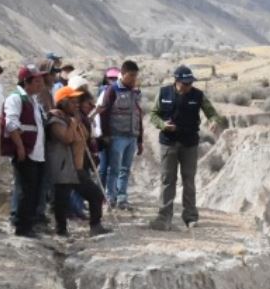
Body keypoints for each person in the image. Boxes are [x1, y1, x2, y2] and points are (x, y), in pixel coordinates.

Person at [148, 65, 224, 231]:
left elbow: (211, 112)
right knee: (168, 180)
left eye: (190, 82)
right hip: (168, 143)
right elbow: (153, 115)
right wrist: (162, 124)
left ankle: (190, 217)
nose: (188, 86)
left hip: (189, 143)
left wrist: (213, 121)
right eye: (185, 83)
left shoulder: (198, 95)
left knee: (189, 180)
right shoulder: (163, 93)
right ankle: (164, 218)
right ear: (176, 81)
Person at [45, 85, 111, 238]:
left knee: (95, 194)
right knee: (60, 201)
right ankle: (61, 231)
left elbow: (85, 135)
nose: (77, 105)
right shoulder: (55, 120)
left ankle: (95, 226)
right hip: (62, 167)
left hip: (76, 167)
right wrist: (74, 123)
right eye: (73, 102)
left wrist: (78, 122)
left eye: (77, 102)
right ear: (63, 102)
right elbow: (67, 138)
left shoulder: (72, 118)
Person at [3, 66, 48, 237]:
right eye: (36, 81)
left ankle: (29, 224)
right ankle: (21, 227)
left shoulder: (32, 100)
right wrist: (20, 146)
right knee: (25, 190)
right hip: (26, 152)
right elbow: (11, 123)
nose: (40, 84)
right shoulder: (15, 98)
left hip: (37, 152)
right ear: (26, 82)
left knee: (34, 190)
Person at [95, 60, 145, 210]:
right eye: (131, 76)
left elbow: (138, 116)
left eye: (135, 76)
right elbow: (103, 114)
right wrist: (106, 136)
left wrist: (140, 140)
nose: (133, 79)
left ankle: (122, 198)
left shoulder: (134, 93)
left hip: (131, 137)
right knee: (114, 169)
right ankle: (111, 197)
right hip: (117, 137)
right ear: (122, 74)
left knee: (125, 169)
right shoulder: (112, 90)